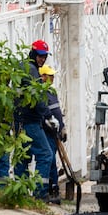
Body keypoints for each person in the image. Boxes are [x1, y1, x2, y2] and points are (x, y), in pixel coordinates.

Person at [13, 40, 55, 202]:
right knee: (45, 154)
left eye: (44, 57)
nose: (42, 59)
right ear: (33, 53)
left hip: (21, 121)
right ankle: (40, 193)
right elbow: (37, 97)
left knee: (23, 156)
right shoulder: (30, 70)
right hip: (29, 121)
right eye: (40, 56)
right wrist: (48, 116)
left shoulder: (23, 67)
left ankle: (20, 193)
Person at [39, 65, 66, 203]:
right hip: (47, 131)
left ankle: (54, 187)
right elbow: (44, 113)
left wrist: (62, 127)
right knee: (49, 159)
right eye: (49, 75)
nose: (52, 78)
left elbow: (57, 112)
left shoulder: (52, 91)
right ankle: (49, 188)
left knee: (52, 159)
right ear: (42, 76)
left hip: (55, 132)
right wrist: (50, 124)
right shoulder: (41, 92)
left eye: (52, 75)